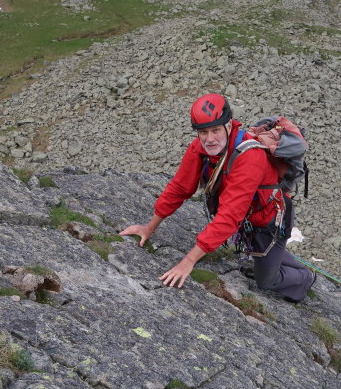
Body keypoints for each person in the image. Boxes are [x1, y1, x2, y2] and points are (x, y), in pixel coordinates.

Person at [120, 93, 314, 302]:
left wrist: (188, 261)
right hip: (248, 214)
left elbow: (230, 216)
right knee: (263, 256)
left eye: (215, 130)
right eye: (203, 132)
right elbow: (179, 188)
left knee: (266, 281)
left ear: (229, 126)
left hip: (269, 219)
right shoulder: (200, 148)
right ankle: (274, 258)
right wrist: (149, 228)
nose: (209, 138)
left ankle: (306, 277)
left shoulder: (250, 157)